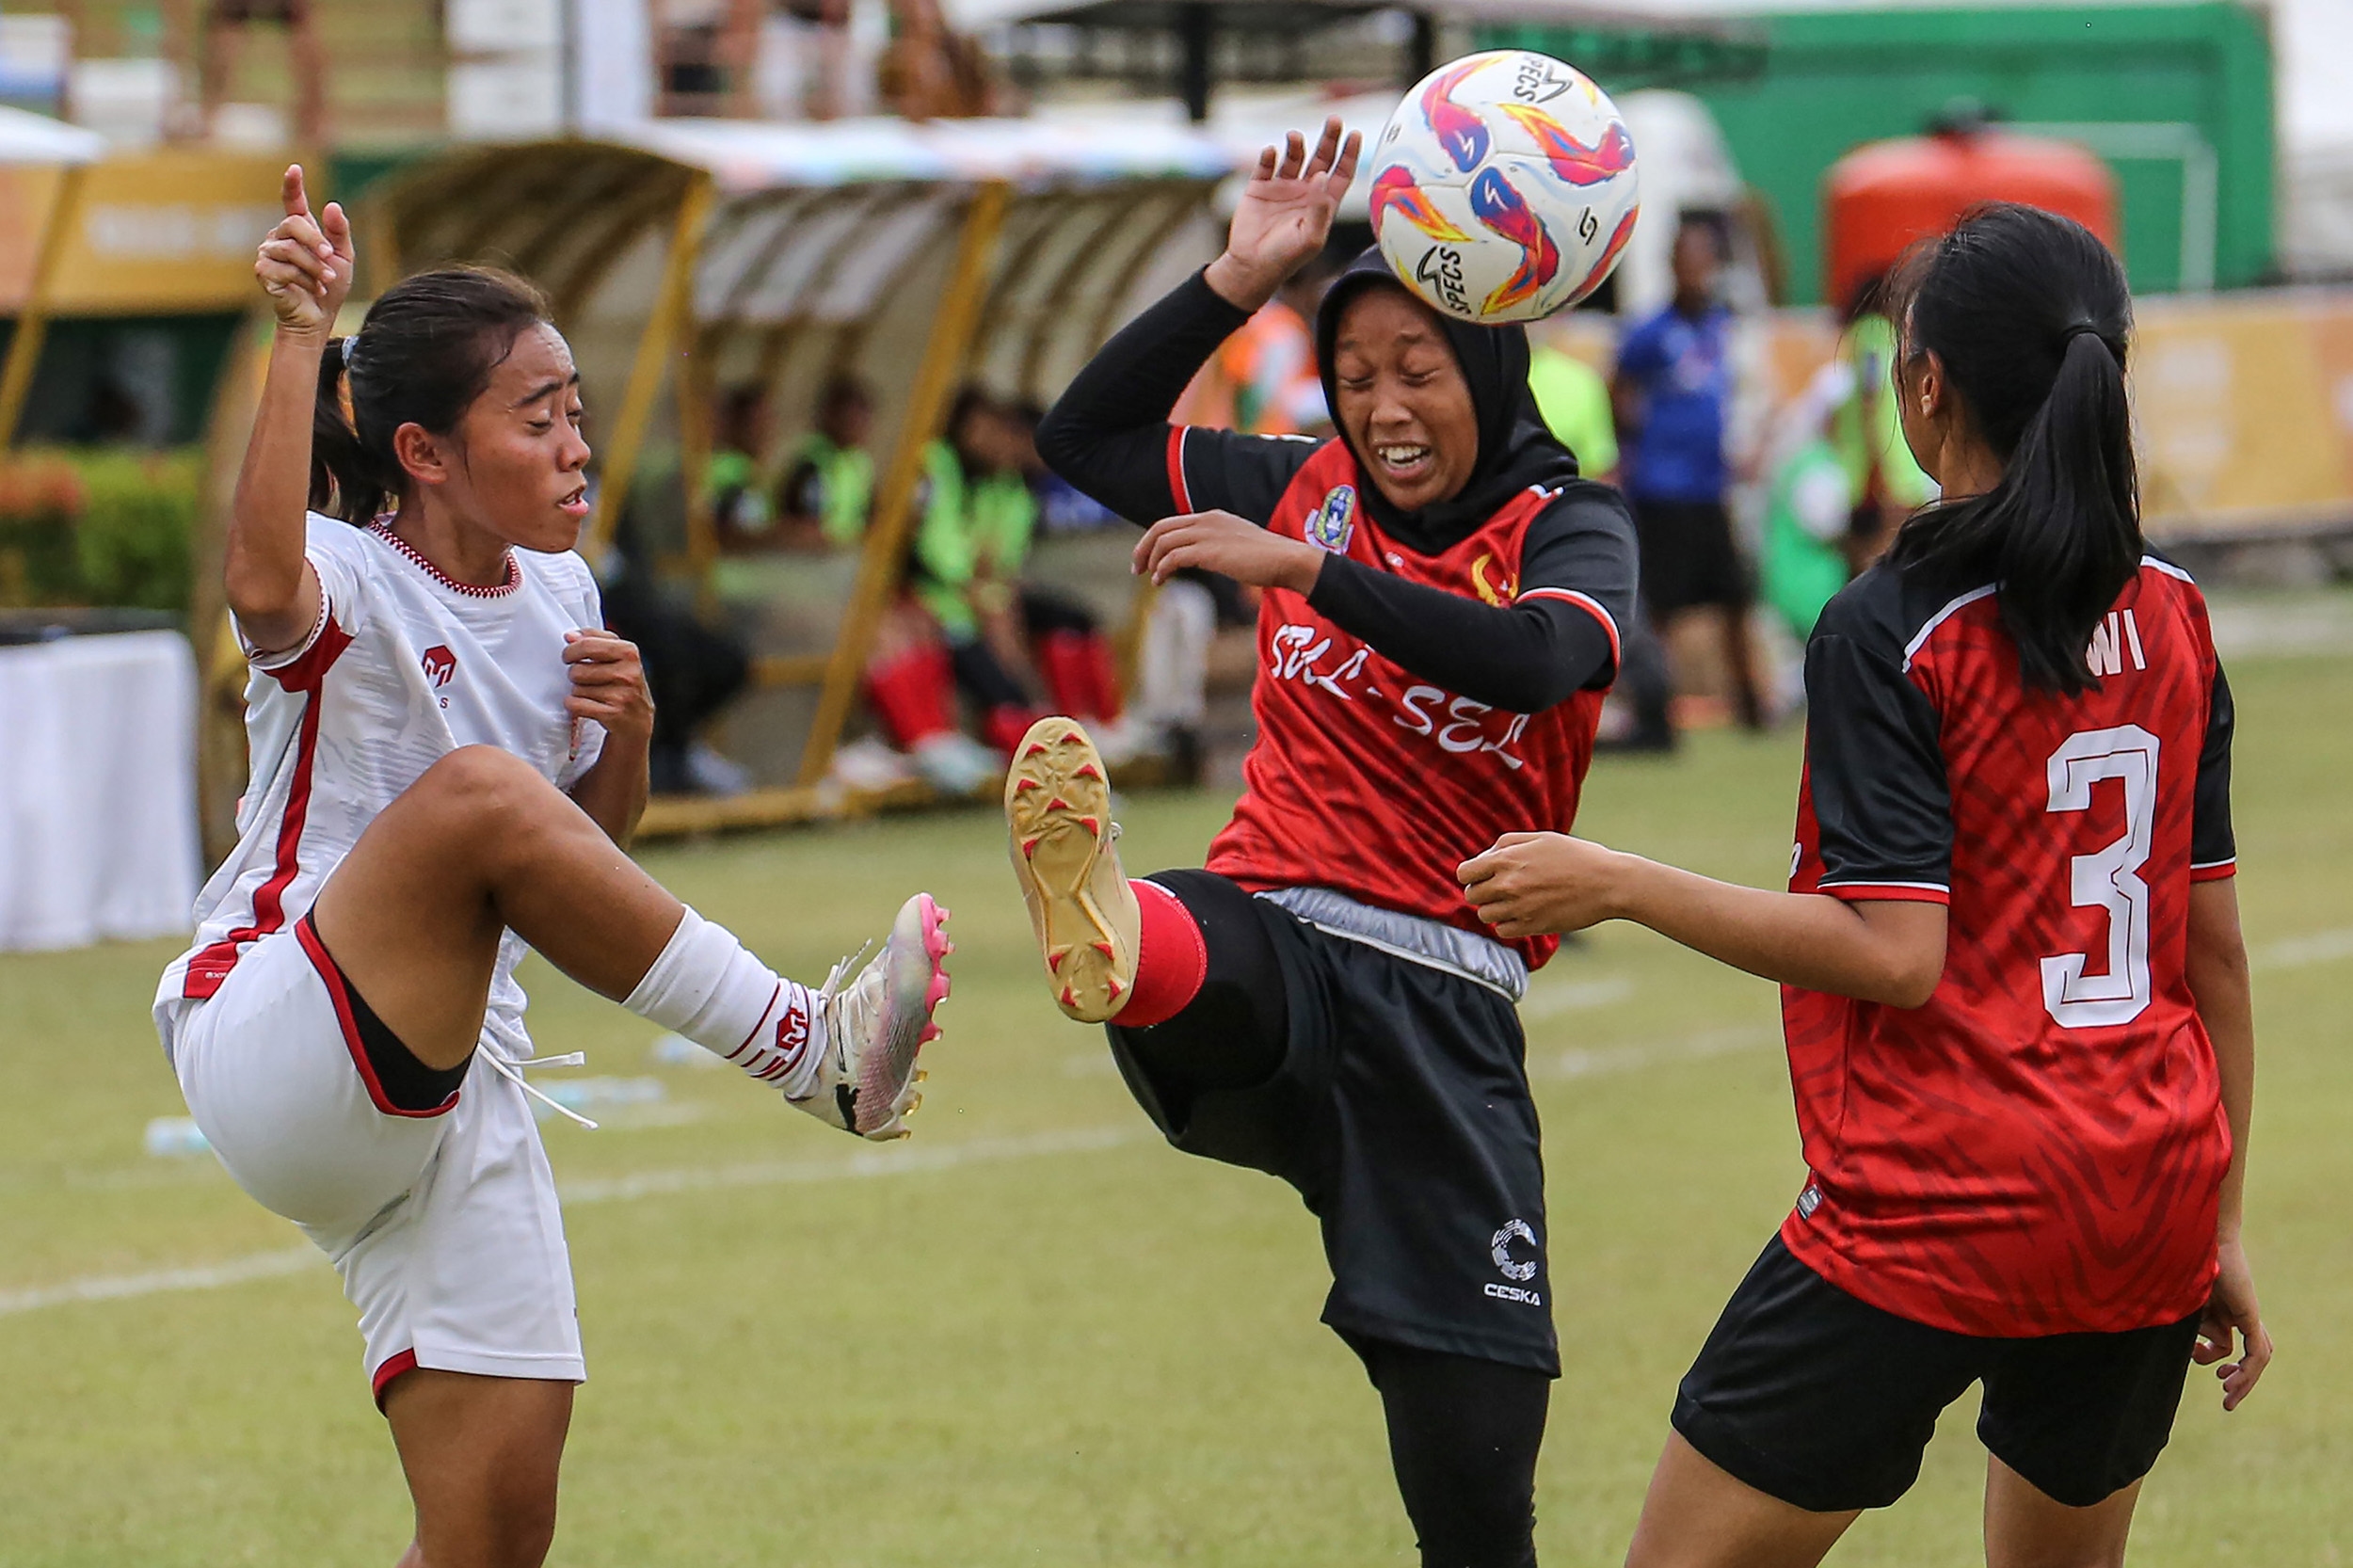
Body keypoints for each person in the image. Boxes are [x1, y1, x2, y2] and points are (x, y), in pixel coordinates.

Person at [153, 168, 953, 1568]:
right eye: (540, 417)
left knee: (493, 1537)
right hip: (277, 1030)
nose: (579, 443)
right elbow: (261, 588)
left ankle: (813, 1055)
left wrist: (626, 744)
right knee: (480, 797)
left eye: (576, 407)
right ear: (424, 452)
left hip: (460, 1084)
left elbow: (583, 861)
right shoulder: (342, 571)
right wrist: (296, 335)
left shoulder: (568, 596)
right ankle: (807, 1049)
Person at [1458, 203, 2269, 1568]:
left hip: (1943, 1196)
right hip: (2148, 1191)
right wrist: (2219, 1216)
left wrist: (1615, 879)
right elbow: (2218, 959)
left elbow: (1895, 953)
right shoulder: (2175, 612)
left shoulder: (1896, 625)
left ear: (1925, 382)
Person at [1020, 120, 1638, 1568]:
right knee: (1189, 920)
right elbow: (1080, 440)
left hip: (1443, 1006)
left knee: (1476, 1498)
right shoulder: (1306, 479)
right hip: (1278, 942)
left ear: (1489, 364)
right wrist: (1236, 280)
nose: (1383, 408)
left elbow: (1538, 663)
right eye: (1354, 379)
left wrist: (1313, 570)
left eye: (1417, 371)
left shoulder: (1571, 521)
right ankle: (1119, 929)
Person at [1613, 216, 1766, 731]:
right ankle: (1658, 705)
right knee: (1665, 605)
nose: (1697, 270)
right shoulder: (1651, 332)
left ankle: (1752, 706)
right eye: (1688, 259)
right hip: (1663, 488)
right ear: (1673, 266)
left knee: (1736, 597)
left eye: (1705, 260)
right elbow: (1620, 387)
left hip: (1711, 486)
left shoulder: (1721, 328)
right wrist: (1636, 442)